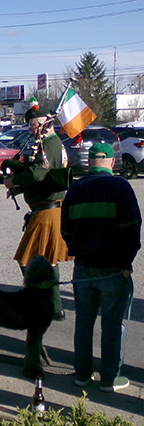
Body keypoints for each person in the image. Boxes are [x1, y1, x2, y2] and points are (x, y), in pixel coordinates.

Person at [61, 142, 141, 393]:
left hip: (82, 268)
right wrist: (126, 263)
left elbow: (64, 230)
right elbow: (132, 228)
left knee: (83, 323)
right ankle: (109, 378)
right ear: (111, 161)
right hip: (113, 268)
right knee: (112, 324)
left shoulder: (74, 189)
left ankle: (82, 375)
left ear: (90, 161)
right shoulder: (120, 186)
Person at [3, 107, 71, 321]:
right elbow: (46, 177)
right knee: (47, 260)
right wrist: (18, 188)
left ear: (43, 124)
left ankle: (44, 303)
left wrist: (15, 180)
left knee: (29, 260)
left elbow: (39, 173)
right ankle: (53, 306)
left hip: (48, 210)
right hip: (46, 208)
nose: (31, 130)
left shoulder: (50, 144)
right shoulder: (50, 144)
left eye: (33, 125)